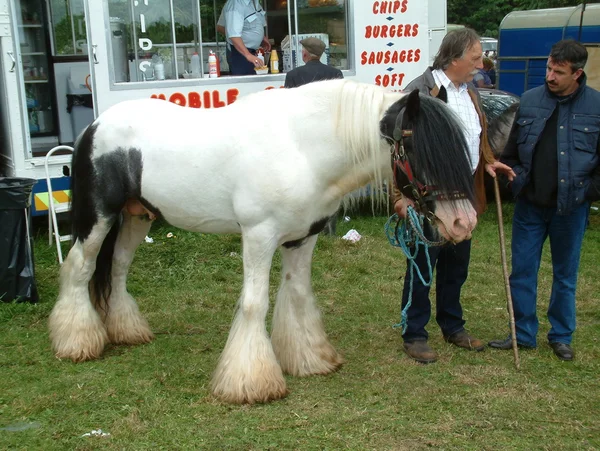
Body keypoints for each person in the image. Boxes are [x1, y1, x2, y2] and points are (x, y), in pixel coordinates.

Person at [393, 28, 515, 364]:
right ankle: (415, 333)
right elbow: (398, 152)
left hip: (463, 195)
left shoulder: (470, 92)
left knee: (456, 267)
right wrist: (399, 197)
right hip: (429, 198)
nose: (481, 63)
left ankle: (452, 325)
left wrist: (489, 161)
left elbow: (477, 135)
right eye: (475, 58)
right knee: (422, 267)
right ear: (454, 57)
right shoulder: (419, 92)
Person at [489, 39, 600, 361]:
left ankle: (561, 335)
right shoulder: (531, 100)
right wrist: (516, 178)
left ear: (577, 74)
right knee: (522, 271)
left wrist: (586, 192)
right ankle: (522, 334)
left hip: (570, 208)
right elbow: (511, 153)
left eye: (559, 72)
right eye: (549, 68)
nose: (550, 76)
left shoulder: (596, 106)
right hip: (530, 207)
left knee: (565, 274)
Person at [284, 37, 343, 235]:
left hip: (303, 136)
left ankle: (303, 222)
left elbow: (289, 110)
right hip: (328, 136)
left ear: (305, 54)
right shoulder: (335, 73)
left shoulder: (293, 75)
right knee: (330, 182)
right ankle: (329, 227)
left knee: (304, 180)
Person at [222, 0, 271, 75]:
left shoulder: (255, 3)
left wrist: (262, 38)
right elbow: (234, 35)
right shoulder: (236, 4)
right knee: (245, 83)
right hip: (240, 53)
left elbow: (253, 26)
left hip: (251, 53)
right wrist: (248, 55)